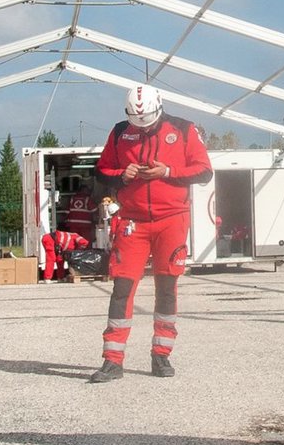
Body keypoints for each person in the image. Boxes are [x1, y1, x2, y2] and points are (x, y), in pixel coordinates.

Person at [86, 85, 213, 383]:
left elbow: (204, 171)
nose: (142, 126)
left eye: (148, 121)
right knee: (122, 288)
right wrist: (122, 175)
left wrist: (167, 172)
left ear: (159, 108)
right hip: (132, 221)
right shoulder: (119, 132)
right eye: (135, 121)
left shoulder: (183, 129)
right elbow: (101, 170)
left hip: (172, 219)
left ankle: (161, 355)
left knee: (166, 287)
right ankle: (112, 360)